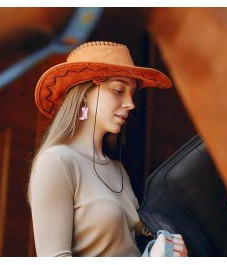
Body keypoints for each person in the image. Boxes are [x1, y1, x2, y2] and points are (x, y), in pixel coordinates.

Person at [28, 41, 188, 257]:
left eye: (132, 94)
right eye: (118, 90)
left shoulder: (118, 169)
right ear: (84, 94)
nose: (130, 104)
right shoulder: (57, 162)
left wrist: (167, 249)